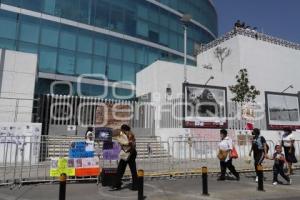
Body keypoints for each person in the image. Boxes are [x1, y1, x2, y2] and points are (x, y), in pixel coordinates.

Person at [112, 124, 138, 190]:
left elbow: (132, 144)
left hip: (130, 153)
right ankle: (135, 186)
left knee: (121, 169)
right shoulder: (126, 134)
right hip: (128, 153)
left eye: (122, 130)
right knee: (129, 170)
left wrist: (123, 144)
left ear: (124, 129)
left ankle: (117, 184)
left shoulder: (130, 134)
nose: (121, 131)